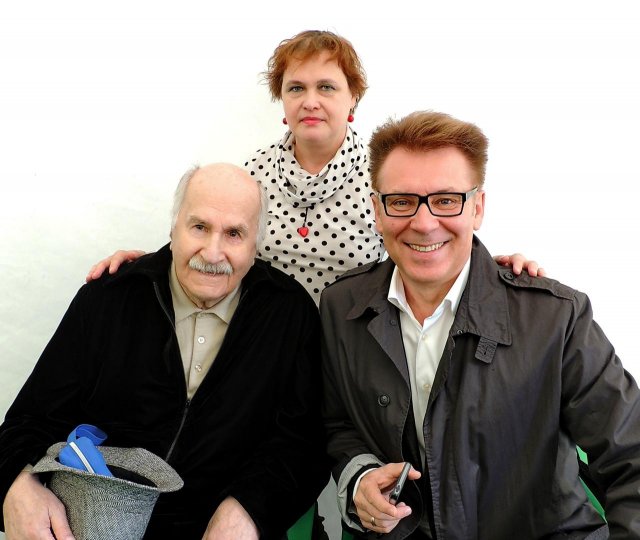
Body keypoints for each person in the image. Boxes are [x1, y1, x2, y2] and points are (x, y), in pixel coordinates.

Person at [320, 111, 640, 539]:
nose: (424, 223)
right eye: (401, 201)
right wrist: (359, 478)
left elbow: (631, 457)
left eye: (446, 200)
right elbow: (339, 424)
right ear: (377, 210)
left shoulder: (556, 318)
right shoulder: (341, 307)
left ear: (478, 208)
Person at [85, 30, 544, 304]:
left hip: (359, 347)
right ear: (282, 101)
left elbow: (427, 236)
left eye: (326, 87)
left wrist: (498, 268)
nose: (310, 101)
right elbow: (217, 244)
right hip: (268, 342)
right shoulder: (253, 174)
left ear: (352, 98)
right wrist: (147, 264)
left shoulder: (385, 174)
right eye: (296, 88)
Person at [0, 163, 329, 539]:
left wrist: (250, 510)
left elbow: (304, 443)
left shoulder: (290, 314)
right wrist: (17, 484)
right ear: (174, 229)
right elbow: (29, 420)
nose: (213, 252)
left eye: (234, 234)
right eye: (199, 227)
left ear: (255, 246)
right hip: (101, 524)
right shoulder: (108, 298)